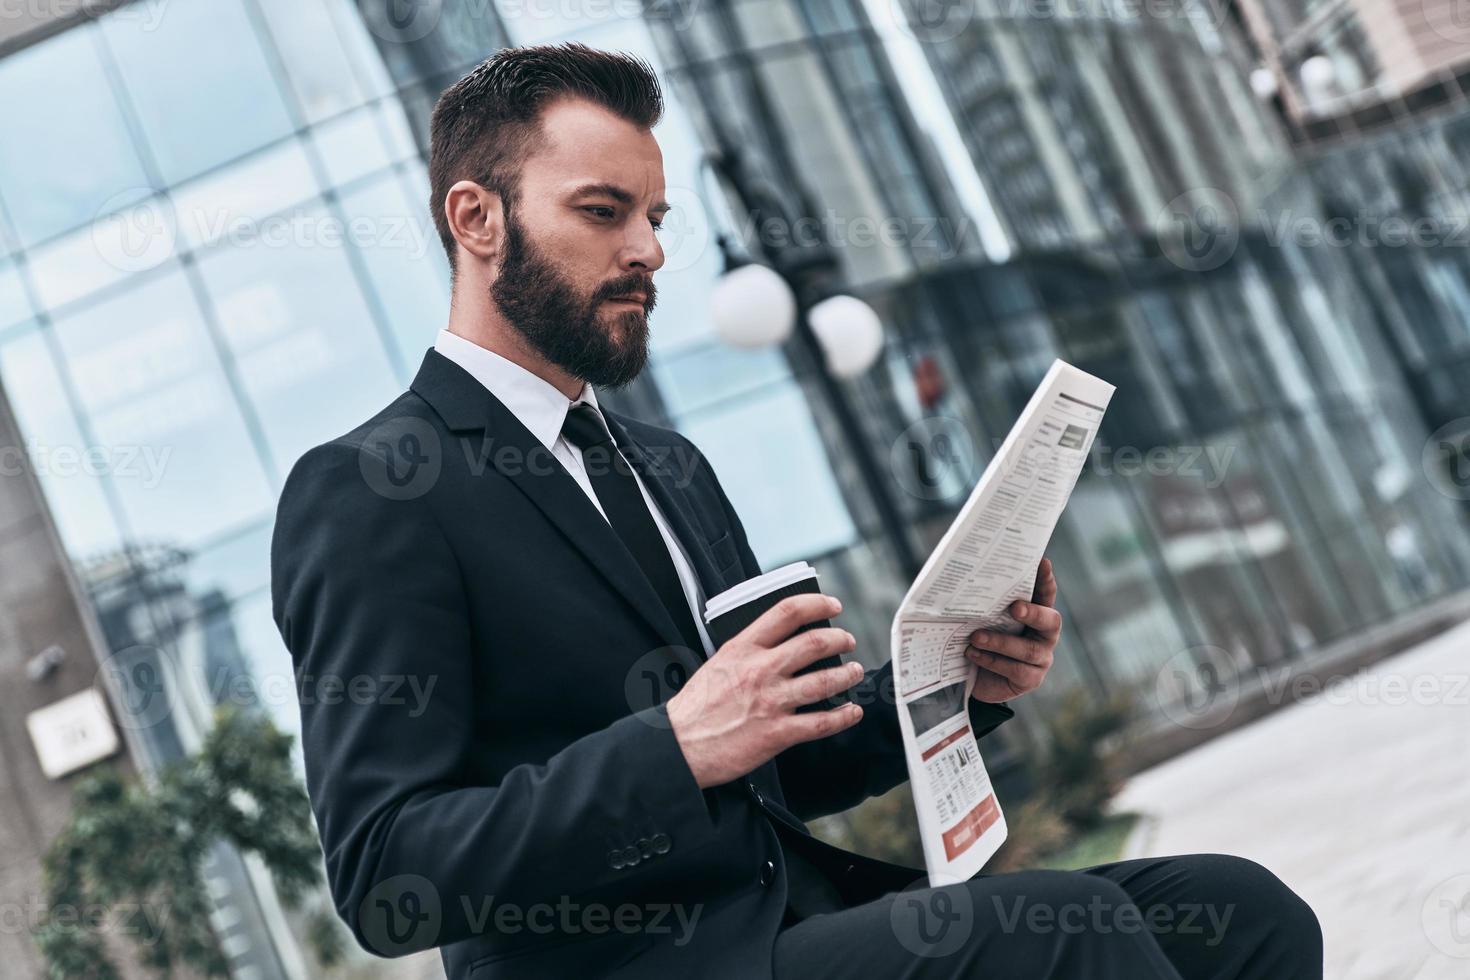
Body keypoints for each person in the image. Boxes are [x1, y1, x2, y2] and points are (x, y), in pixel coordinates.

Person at [270, 42, 1323, 980]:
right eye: (604, 212)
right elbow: (385, 871)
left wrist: (954, 680)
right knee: (1062, 927)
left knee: (1238, 912)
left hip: (792, 922)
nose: (649, 251)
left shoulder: (667, 466)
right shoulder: (369, 490)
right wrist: (672, 747)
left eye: (656, 217)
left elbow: (774, 758)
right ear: (476, 217)